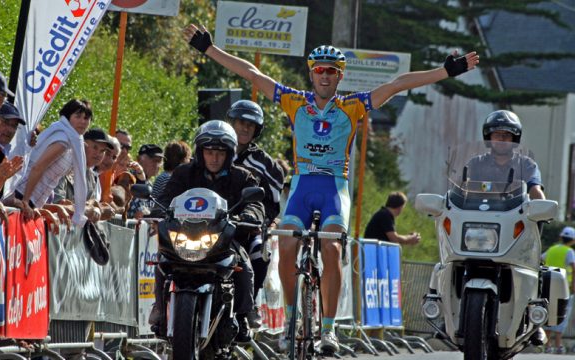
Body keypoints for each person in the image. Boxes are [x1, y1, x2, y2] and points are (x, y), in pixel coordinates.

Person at [184, 24, 479, 352]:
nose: (325, 76)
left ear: (340, 77)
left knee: (332, 248)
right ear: (311, 74)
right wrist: (208, 49)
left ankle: (328, 330)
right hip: (301, 185)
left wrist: (446, 71)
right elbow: (253, 73)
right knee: (285, 244)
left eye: (332, 71)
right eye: (320, 70)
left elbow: (397, 84)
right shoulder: (295, 102)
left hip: (334, 188)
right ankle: (290, 321)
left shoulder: (353, 106)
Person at [155, 120, 264, 343]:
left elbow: (255, 204)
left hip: (223, 240)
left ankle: (243, 314)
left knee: (243, 266)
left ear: (230, 153)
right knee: (162, 259)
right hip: (186, 237)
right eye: (209, 151)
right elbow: (165, 198)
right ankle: (159, 308)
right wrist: (156, 209)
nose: (214, 157)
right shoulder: (184, 173)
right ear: (200, 152)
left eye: (220, 152)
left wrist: (251, 214)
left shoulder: (242, 177)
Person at [226, 99, 285, 328]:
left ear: (257, 130)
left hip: (247, 226)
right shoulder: (214, 148)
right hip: (212, 221)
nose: (245, 128)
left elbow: (272, 199)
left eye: (251, 125)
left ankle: (249, 305)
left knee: (261, 254)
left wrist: (262, 221)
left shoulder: (264, 163)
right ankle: (165, 306)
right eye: (241, 121)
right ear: (231, 122)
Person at [7, 99, 92, 226]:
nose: (82, 121)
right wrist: (25, 201)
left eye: (86, 118)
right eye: (78, 116)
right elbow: (37, 168)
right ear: (67, 117)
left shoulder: (72, 140)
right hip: (22, 194)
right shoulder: (62, 140)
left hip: (33, 200)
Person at [466, 110, 545, 200]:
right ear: (489, 137)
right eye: (496, 134)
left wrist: (543, 207)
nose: (501, 138)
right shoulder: (476, 164)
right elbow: (462, 190)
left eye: (507, 134)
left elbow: (535, 191)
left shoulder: (527, 165)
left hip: (517, 213)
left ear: (514, 138)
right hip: (479, 212)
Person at [541, 226, 575, 354]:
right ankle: (559, 345)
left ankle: (547, 346)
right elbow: (574, 267)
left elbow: (541, 259)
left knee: (548, 314)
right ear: (573, 240)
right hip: (564, 287)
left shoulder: (551, 249)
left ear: (561, 237)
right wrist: (573, 285)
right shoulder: (569, 251)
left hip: (548, 285)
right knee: (562, 315)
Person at [127, 144, 164, 219]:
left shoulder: (149, 184)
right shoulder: (128, 177)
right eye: (153, 160)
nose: (156, 164)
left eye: (159, 161)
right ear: (138, 159)